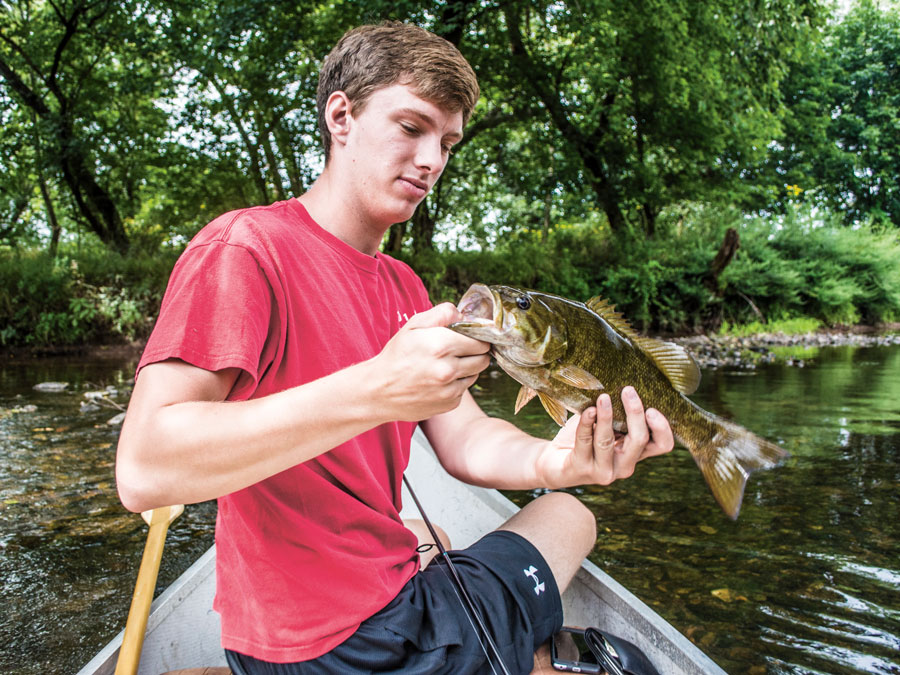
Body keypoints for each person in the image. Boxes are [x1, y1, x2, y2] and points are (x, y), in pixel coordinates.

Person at [115, 22, 674, 675]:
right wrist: (377, 388)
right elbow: (144, 469)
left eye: (448, 143)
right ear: (341, 117)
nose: (432, 159)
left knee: (560, 510)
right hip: (338, 646)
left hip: (373, 599)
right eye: (412, 127)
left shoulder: (406, 285)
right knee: (608, 633)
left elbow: (466, 438)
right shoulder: (244, 248)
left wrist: (557, 460)